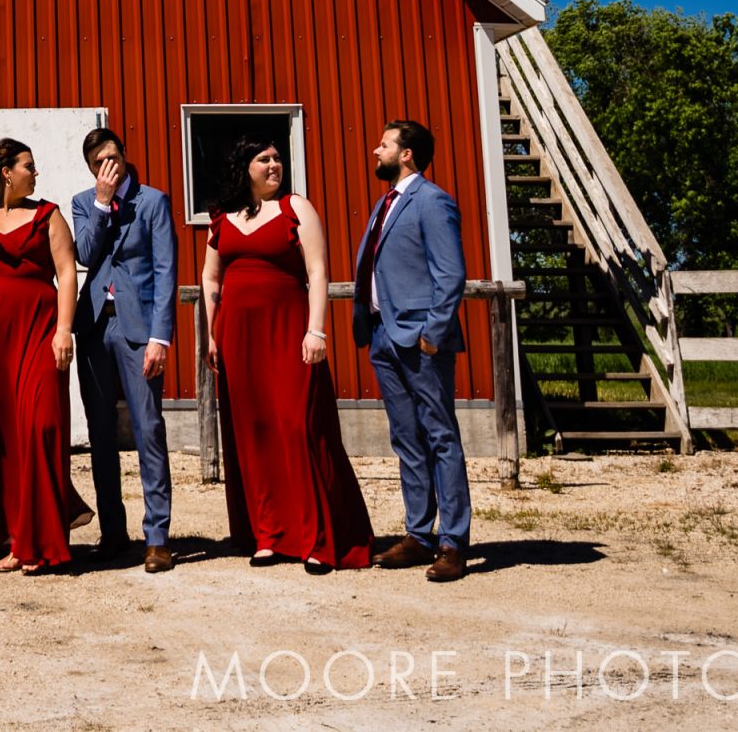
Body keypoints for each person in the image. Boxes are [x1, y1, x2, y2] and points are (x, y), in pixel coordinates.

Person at [200, 134, 375, 573]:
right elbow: (210, 278)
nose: (274, 166)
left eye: (278, 159)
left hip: (290, 332)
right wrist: (211, 333)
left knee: (299, 428)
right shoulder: (221, 218)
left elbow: (318, 272)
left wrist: (316, 330)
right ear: (245, 168)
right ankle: (268, 534)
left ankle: (317, 538)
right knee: (252, 432)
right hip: (237, 336)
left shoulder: (296, 207)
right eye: (264, 159)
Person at [0, 137, 89, 573]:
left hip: (41, 332)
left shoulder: (47, 214)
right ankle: (12, 539)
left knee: (41, 426)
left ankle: (45, 540)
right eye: (30, 165)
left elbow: (67, 272)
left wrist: (65, 330)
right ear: (7, 172)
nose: (36, 173)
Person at [354, 118, 473, 582]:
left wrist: (433, 333)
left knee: (441, 437)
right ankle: (420, 535)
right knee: (406, 439)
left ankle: (453, 543)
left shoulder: (432, 201)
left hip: (421, 340)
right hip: (384, 336)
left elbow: (451, 274)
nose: (375, 151)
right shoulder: (385, 204)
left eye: (383, 145)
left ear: (406, 154)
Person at [70, 125, 178, 572]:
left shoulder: (152, 201)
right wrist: (100, 201)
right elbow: (85, 254)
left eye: (112, 158)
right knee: (99, 433)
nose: (107, 167)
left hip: (139, 330)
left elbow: (166, 269)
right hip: (95, 327)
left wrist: (161, 337)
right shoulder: (82, 202)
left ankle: (157, 538)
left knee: (147, 427)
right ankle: (113, 532)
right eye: (98, 163)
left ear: (124, 154)